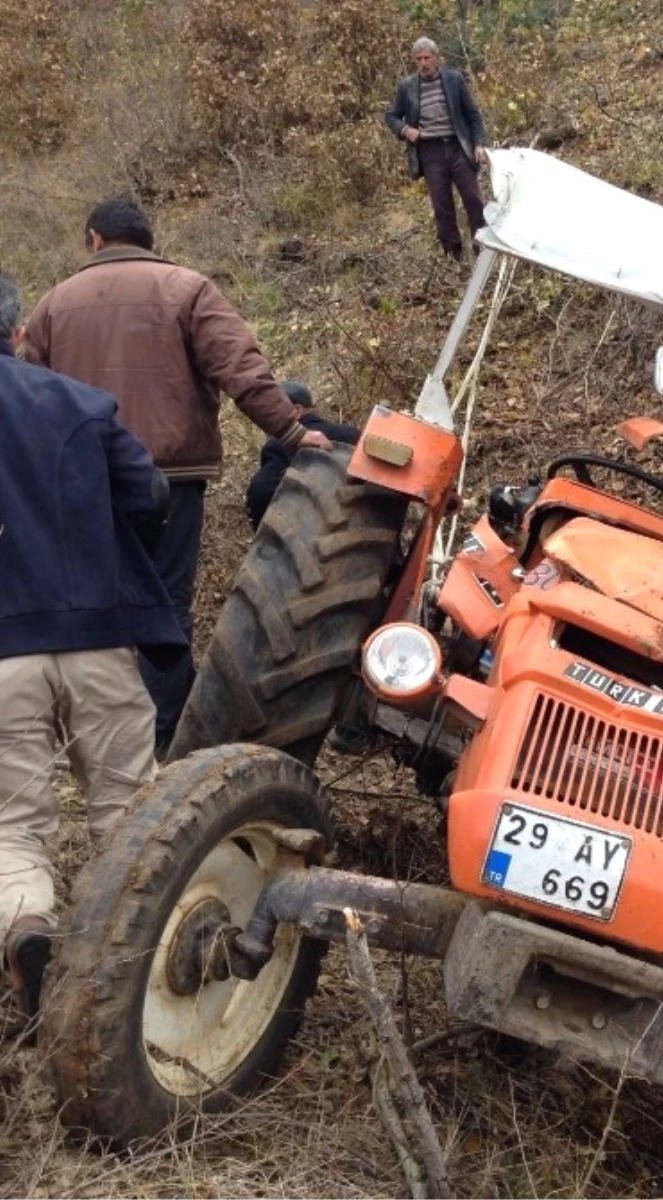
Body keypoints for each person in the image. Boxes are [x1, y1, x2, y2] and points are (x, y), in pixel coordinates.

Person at [23, 198, 332, 756]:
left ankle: (101, 744)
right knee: (165, 603)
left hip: (83, 483)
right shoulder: (188, 289)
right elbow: (240, 366)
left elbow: (25, 396)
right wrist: (291, 432)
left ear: (94, 239)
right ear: (146, 238)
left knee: (97, 607)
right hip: (171, 477)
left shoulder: (53, 305)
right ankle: (166, 741)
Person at [0, 275, 186, 1018]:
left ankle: (26, 928)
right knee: (128, 806)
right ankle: (131, 964)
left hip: (2, 653)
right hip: (98, 635)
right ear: (16, 331)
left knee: (12, 822)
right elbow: (151, 497)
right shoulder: (74, 403)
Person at [385, 37, 489, 262]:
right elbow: (391, 116)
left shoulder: (454, 79)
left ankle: (483, 248)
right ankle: (454, 256)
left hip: (458, 146)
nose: (423, 63)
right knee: (442, 205)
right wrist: (405, 130)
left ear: (436, 57)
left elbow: (472, 116)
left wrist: (478, 144)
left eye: (427, 58)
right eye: (419, 59)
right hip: (430, 152)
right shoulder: (408, 87)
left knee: (473, 199)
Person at [245, 380, 360, 529]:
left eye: (274, 411)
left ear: (297, 410)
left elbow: (261, 490)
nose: (269, 420)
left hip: (314, 534)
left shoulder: (281, 444)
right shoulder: (353, 434)